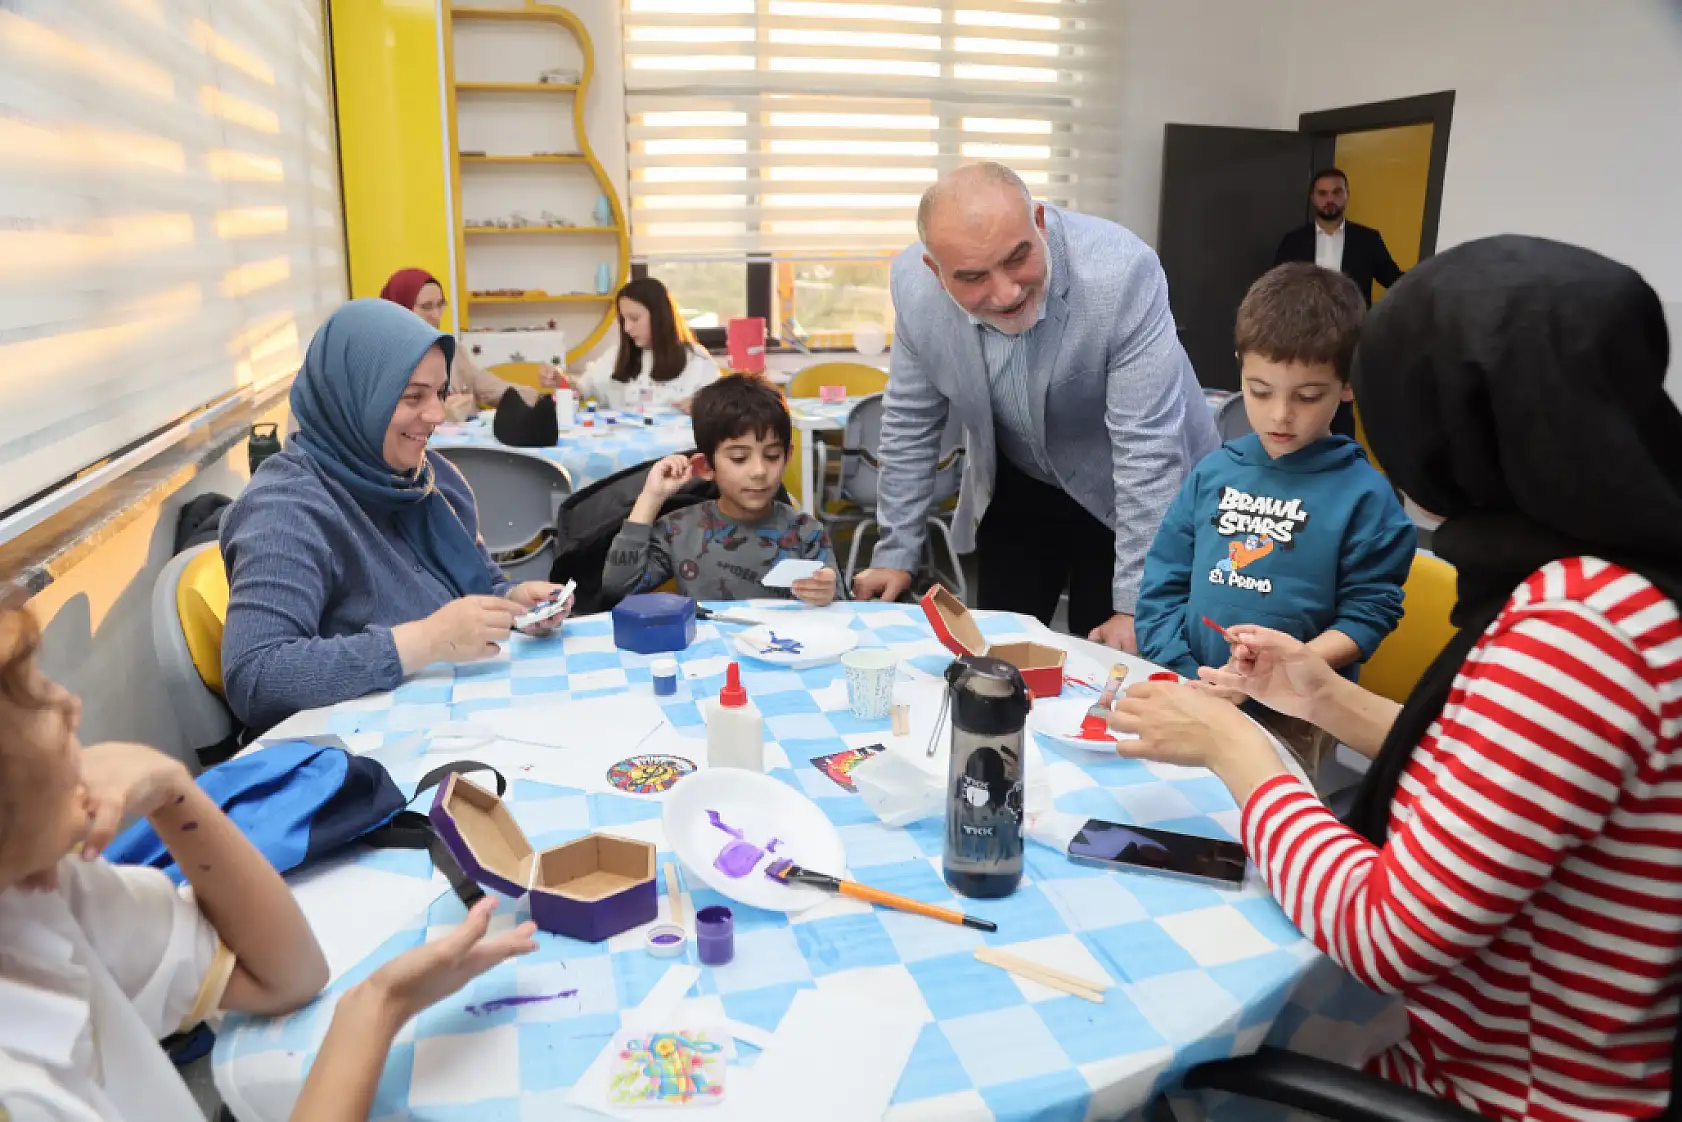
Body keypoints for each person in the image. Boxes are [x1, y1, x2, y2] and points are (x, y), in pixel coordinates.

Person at [1112, 236, 1682, 1119]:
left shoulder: (1581, 630)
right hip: (1495, 1046)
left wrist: (1236, 748)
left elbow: (1385, 933)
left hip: (1507, 1093)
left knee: (1161, 1068)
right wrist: (1321, 694)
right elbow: (1493, 769)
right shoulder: (1614, 580)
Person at [0, 604, 538, 1121]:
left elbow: (286, 976)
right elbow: (259, 673)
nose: (68, 703)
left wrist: (174, 792)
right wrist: (377, 1009)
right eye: (27, 694)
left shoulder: (44, 895)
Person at [852, 162, 1219, 651]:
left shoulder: (1120, 271)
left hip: (1133, 483)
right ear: (935, 274)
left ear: (1040, 224)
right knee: (996, 653)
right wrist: (896, 551)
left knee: (1111, 659)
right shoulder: (914, 290)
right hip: (1022, 476)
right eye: (973, 277)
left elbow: (1147, 447)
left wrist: (1136, 606)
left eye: (1018, 258)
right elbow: (911, 422)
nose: (1005, 293)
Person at [220, 299, 569, 732]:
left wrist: (513, 602)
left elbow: (479, 581)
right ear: (355, 394)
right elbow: (256, 677)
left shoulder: (427, 478)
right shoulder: (286, 509)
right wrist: (424, 641)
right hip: (363, 751)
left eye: (440, 394)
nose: (438, 416)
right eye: (412, 397)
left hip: (456, 719)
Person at [1134, 263, 1414, 685]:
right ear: (1240, 368)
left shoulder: (1365, 497)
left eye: (1307, 396)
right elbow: (1161, 589)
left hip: (1300, 708)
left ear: (1348, 383)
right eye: (1260, 391)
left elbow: (1370, 612)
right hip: (1194, 685)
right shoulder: (1213, 473)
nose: (1280, 415)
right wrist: (1190, 673)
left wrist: (1282, 669)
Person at [602, 375, 838, 605]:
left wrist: (828, 595)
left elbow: (843, 610)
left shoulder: (806, 533)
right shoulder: (678, 530)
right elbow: (619, 588)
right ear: (705, 467)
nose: (759, 471)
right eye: (738, 458)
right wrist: (651, 498)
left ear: (787, 457)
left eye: (772, 456)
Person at [379, 268, 563, 420]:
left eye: (440, 305)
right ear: (400, 309)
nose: (436, 315)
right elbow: (389, 423)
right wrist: (444, 416)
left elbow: (490, 387)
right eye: (426, 307)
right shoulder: (384, 362)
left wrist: (541, 399)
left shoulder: (448, 349)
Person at [570, 276, 720, 413]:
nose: (627, 328)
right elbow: (581, 389)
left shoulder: (696, 361)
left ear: (660, 317)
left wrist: (701, 406)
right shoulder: (615, 356)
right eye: (623, 320)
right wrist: (562, 382)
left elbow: (722, 409)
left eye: (634, 319)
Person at [1272, 169, 1404, 307]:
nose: (1329, 199)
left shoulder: (1368, 240)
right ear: (1312, 197)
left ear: (1347, 194)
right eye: (1322, 193)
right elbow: (1274, 286)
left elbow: (1395, 282)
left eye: (1337, 192)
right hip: (1303, 325)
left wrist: (1425, 277)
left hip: (1354, 325)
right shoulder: (1293, 241)